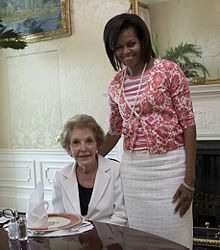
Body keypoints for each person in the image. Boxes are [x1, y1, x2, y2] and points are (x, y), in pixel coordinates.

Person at [100, 13, 196, 249]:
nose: (125, 52)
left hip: (169, 168)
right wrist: (91, 154)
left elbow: (188, 125)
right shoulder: (115, 83)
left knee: (174, 236)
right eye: (118, 47)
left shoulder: (169, 70)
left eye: (131, 44)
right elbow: (115, 129)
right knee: (140, 238)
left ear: (142, 41)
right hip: (134, 172)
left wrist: (190, 180)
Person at [52, 114, 127, 226]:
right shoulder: (60, 176)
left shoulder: (116, 171)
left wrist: (105, 242)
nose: (83, 148)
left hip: (108, 238)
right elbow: (60, 218)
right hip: (73, 240)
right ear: (69, 148)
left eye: (89, 141)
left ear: (97, 144)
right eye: (76, 142)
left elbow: (121, 216)